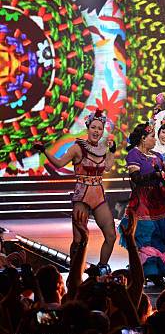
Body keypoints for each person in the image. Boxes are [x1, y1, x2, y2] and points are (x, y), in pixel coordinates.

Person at [34, 109, 116, 273]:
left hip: (98, 195)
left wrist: (112, 152)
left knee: (111, 235)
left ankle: (101, 269)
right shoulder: (77, 148)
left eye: (100, 128)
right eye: (93, 127)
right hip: (82, 196)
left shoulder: (102, 149)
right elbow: (58, 163)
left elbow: (107, 167)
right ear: (88, 128)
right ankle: (74, 272)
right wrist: (44, 150)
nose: (96, 131)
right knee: (79, 240)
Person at [118, 123, 165, 287]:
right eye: (152, 137)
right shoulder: (134, 155)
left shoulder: (157, 156)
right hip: (143, 201)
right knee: (146, 236)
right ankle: (149, 271)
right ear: (143, 139)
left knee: (162, 235)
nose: (155, 140)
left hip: (159, 200)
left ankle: (162, 270)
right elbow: (136, 178)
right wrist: (154, 175)